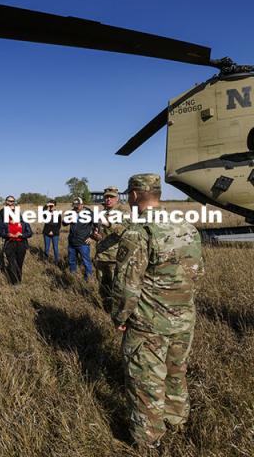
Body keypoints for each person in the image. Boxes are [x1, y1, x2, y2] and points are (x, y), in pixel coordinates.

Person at [111, 173, 204, 450]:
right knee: (176, 373)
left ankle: (147, 440)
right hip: (184, 319)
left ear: (136, 195)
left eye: (129, 194)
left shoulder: (138, 232)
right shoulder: (186, 227)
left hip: (149, 326)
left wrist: (120, 318)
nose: (128, 199)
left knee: (146, 384)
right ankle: (177, 421)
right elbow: (196, 274)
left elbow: (126, 287)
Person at [93, 187, 128, 311]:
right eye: (106, 197)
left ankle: (117, 313)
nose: (108, 199)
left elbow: (126, 232)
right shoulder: (102, 213)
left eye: (111, 197)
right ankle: (105, 311)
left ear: (117, 198)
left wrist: (109, 224)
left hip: (115, 257)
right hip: (101, 255)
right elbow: (100, 233)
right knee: (103, 287)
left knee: (117, 288)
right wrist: (96, 235)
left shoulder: (123, 212)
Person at [0, 197, 32, 285]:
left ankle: (19, 281)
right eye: (9, 201)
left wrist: (21, 235)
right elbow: (1, 231)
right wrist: (7, 235)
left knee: (19, 264)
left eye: (13, 201)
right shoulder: (3, 216)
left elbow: (29, 233)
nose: (11, 203)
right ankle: (14, 283)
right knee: (12, 263)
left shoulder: (23, 223)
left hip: (21, 244)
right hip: (9, 243)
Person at [62, 197, 95, 280]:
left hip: (83, 243)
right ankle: (72, 277)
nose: (76, 207)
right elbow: (64, 223)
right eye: (74, 205)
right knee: (71, 261)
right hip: (72, 243)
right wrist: (67, 220)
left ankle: (88, 279)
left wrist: (92, 237)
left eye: (78, 205)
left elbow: (97, 225)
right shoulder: (71, 212)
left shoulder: (89, 213)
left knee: (86, 262)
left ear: (82, 204)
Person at [42, 199, 61, 264]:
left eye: (52, 205)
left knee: (55, 248)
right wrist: (46, 205)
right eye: (50, 205)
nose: (51, 206)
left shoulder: (58, 214)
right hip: (46, 232)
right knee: (46, 248)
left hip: (55, 233)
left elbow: (59, 225)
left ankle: (56, 261)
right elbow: (43, 211)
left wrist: (53, 231)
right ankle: (45, 261)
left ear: (55, 205)